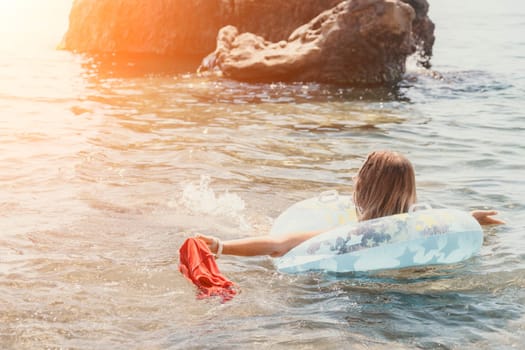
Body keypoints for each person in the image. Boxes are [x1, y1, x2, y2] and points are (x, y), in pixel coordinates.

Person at [197, 150, 504, 258]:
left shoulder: (350, 234)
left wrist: (222, 246)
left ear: (362, 188)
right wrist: (471, 217)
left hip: (352, 300)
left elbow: (277, 245)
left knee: (261, 226)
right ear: (410, 191)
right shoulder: (420, 228)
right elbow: (443, 223)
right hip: (409, 299)